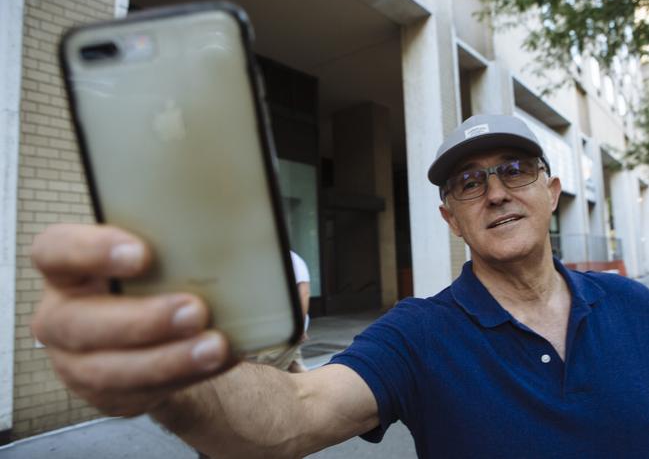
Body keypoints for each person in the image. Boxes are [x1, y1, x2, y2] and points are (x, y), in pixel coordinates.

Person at [30, 114, 649, 458]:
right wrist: (175, 375)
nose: (494, 192)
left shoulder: (636, 306)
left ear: (552, 192)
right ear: (451, 218)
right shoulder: (421, 334)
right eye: (468, 183)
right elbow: (296, 414)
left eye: (513, 171)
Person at [254, 250, 310, 373]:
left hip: (283, 329)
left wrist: (298, 327)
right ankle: (319, 390)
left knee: (264, 372)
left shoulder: (292, 259)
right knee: (295, 367)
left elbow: (304, 293)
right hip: (275, 329)